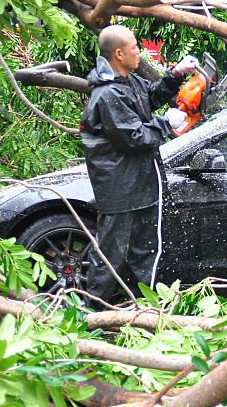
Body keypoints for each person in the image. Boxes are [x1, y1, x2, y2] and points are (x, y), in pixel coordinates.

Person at [79, 25, 199, 302]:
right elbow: (133, 136)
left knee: (143, 253)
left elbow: (152, 96)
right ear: (119, 53)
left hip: (140, 186)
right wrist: (166, 124)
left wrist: (174, 76)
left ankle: (143, 308)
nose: (139, 52)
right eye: (135, 47)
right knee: (112, 254)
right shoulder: (107, 95)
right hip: (122, 190)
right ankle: (92, 312)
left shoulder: (127, 82)